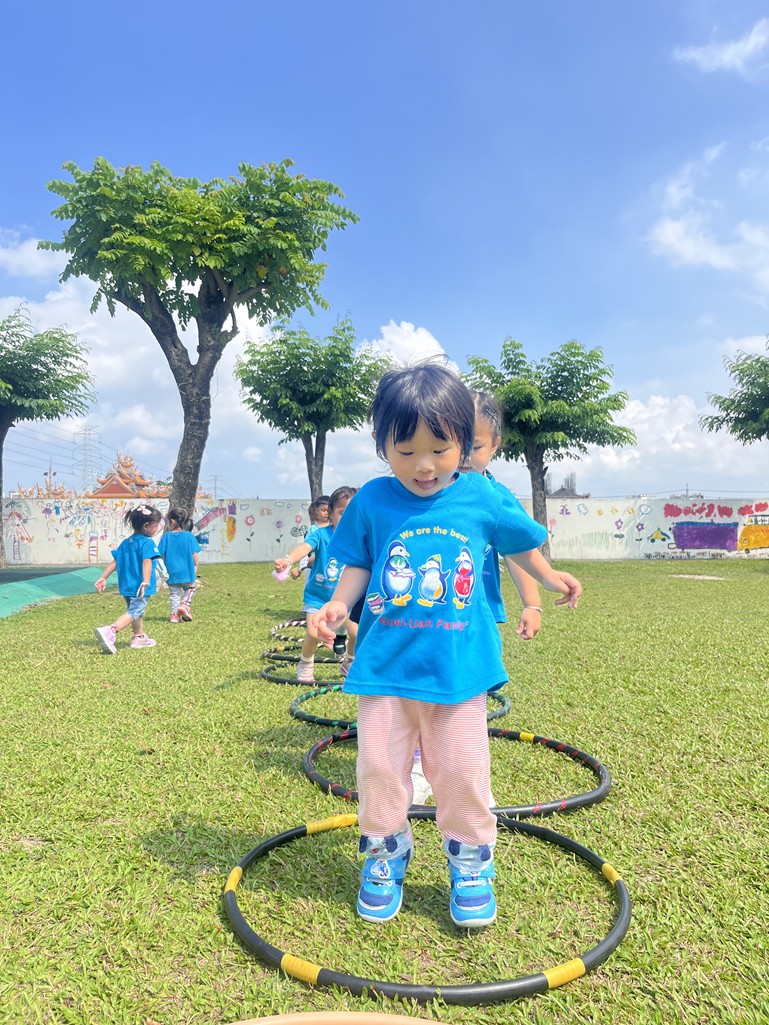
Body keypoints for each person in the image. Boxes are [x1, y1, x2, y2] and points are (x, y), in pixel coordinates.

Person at [308, 361, 581, 929]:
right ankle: (385, 855)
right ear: (382, 444)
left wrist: (547, 577)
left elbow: (518, 544)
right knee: (379, 769)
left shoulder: (482, 495)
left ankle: (471, 862)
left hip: (459, 672)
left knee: (462, 772)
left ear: (464, 439)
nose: (424, 465)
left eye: (440, 449)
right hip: (386, 669)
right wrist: (337, 603)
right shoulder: (373, 500)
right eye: (405, 451)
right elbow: (357, 562)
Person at [411, 389, 545, 806]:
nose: (465, 455)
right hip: (427, 613)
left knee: (469, 690)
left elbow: (519, 553)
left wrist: (532, 603)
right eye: (455, 442)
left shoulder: (494, 497)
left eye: (477, 446)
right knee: (422, 687)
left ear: (496, 445)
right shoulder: (425, 489)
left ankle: (466, 773)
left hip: (476, 615)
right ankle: (418, 765)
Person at [274, 486, 359, 682]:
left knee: (356, 633)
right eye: (342, 513)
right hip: (318, 597)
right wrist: (288, 559)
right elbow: (304, 548)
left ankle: (350, 662)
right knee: (313, 634)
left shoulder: (358, 539)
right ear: (330, 513)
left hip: (346, 599)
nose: (348, 519)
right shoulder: (320, 535)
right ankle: (305, 663)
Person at [94, 504, 163, 653]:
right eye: (156, 525)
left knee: (136, 611)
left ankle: (138, 637)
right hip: (140, 586)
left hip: (127, 586)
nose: (157, 529)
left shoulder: (126, 542)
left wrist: (103, 577)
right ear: (146, 526)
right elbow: (147, 562)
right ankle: (111, 630)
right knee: (135, 611)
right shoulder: (147, 543)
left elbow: (116, 561)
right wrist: (146, 581)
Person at [157, 507, 201, 623]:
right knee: (190, 588)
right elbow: (195, 557)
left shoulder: (166, 537)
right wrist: (195, 567)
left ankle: (174, 616)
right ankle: (184, 605)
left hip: (171, 572)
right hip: (187, 571)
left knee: (174, 594)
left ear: (172, 521)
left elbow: (159, 554)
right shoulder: (189, 536)